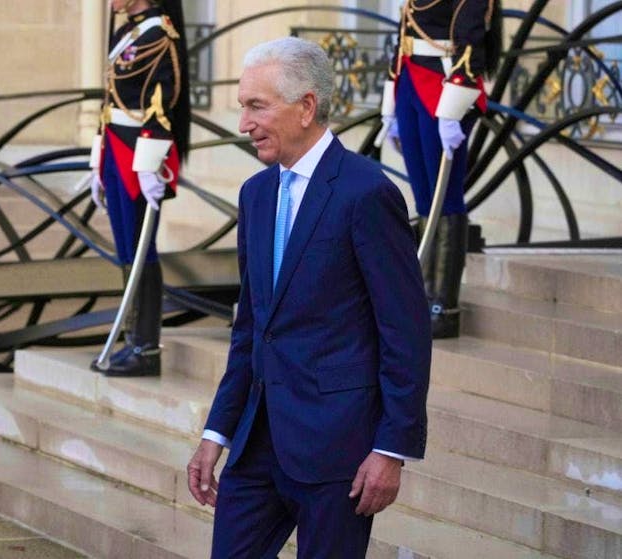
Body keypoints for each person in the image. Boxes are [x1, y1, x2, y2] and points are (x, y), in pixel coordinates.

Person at [186, 37, 431, 558]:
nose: (244, 124)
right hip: (256, 444)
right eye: (242, 107)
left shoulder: (367, 193)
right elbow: (252, 327)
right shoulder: (255, 194)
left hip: (337, 451)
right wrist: (217, 431)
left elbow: (405, 331)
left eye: (257, 106)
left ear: (306, 107)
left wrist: (391, 448)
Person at [379, 0, 502, 338]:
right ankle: (422, 293)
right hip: (410, 83)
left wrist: (453, 108)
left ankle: (443, 307)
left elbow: (471, 45)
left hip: (445, 89)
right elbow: (402, 37)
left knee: (444, 197)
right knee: (422, 195)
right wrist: (390, 105)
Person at [88, 0, 190, 377]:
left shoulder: (160, 34)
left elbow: (163, 103)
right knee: (125, 246)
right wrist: (98, 153)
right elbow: (110, 98)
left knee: (141, 247)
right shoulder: (127, 32)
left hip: (139, 154)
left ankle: (146, 347)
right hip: (116, 147)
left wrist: (149, 162)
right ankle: (132, 338)